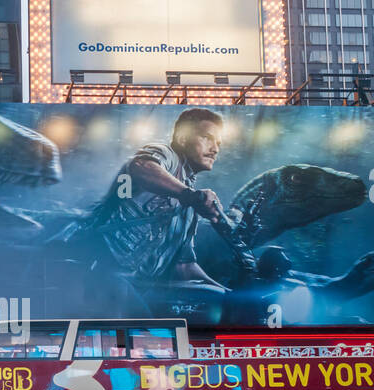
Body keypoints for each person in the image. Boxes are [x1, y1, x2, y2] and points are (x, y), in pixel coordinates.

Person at [52, 108, 255, 315]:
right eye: (207, 138)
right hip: (99, 271)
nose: (215, 149)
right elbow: (141, 166)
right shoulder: (167, 156)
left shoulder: (190, 203)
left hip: (133, 286)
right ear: (183, 138)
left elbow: (184, 267)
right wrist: (191, 196)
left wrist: (227, 294)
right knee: (143, 329)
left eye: (219, 143)